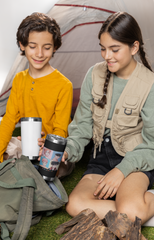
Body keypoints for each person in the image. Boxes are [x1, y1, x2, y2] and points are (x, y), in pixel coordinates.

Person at [62, 11, 154, 225]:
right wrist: (67, 150)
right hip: (101, 158)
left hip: (135, 159)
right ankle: (135, 211)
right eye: (103, 49)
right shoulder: (93, 74)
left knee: (129, 213)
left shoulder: (150, 83)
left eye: (114, 49)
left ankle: (138, 207)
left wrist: (120, 172)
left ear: (134, 47)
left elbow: (152, 145)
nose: (106, 56)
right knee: (74, 204)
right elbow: (82, 128)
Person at [0, 12, 73, 170]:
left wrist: (48, 144)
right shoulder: (19, 79)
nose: (39, 54)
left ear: (55, 47)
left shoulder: (64, 85)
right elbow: (9, 120)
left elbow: (61, 130)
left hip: (52, 148)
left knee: (55, 164)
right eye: (32, 46)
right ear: (22, 45)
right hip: (27, 145)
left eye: (47, 47)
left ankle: (31, 168)